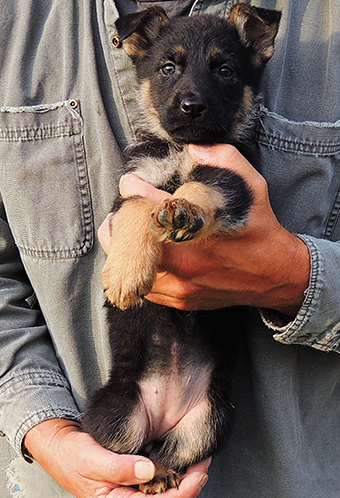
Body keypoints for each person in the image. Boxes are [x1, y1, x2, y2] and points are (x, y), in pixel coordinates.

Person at [0, 1, 340, 497]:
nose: (192, 94)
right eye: (169, 68)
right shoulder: (13, 20)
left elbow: (220, 195)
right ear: (138, 53)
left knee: (208, 423)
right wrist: (47, 432)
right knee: (119, 424)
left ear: (256, 58)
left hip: (273, 468)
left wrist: (294, 276)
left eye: (222, 70)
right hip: (97, 432)